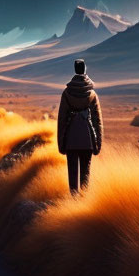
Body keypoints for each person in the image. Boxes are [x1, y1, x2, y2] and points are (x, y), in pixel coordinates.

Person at [57, 59, 103, 195]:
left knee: (72, 173)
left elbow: (62, 119)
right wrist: (97, 144)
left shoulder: (66, 93)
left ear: (75, 70)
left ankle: (73, 200)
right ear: (85, 70)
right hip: (87, 139)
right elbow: (97, 121)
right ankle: (83, 202)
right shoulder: (92, 94)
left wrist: (61, 144)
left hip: (70, 139)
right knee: (85, 173)